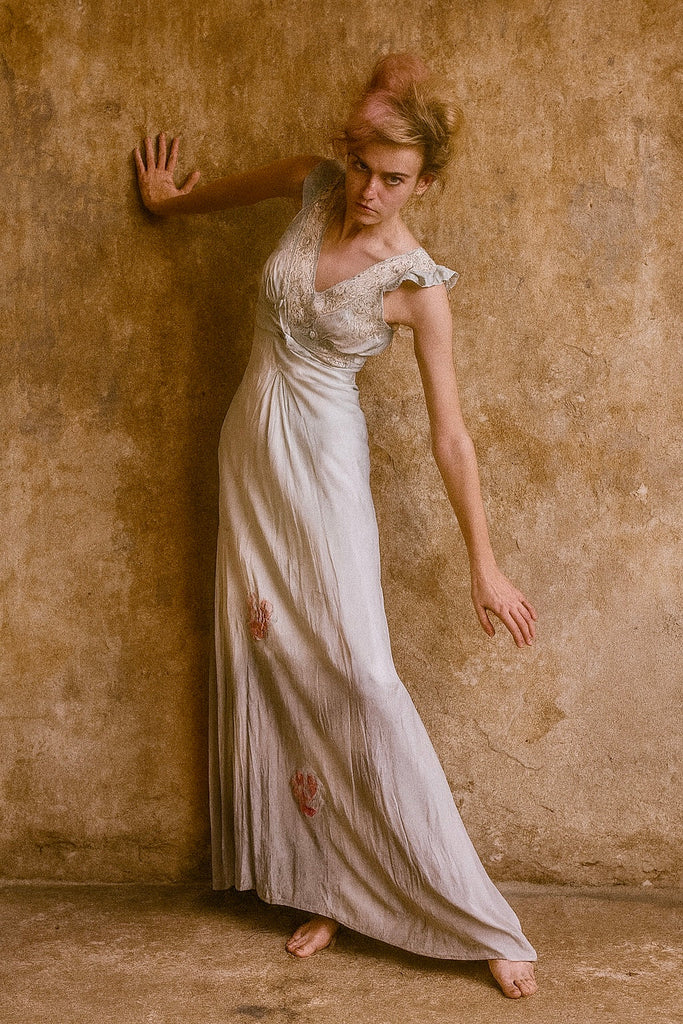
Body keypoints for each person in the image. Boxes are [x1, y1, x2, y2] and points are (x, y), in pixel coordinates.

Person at [134, 54, 538, 999]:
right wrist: (169, 204)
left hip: (323, 469)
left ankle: (476, 919)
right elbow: (219, 196)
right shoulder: (312, 186)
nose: (367, 190)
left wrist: (483, 564)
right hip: (250, 454)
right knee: (280, 662)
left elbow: (450, 435)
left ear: (424, 182)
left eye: (392, 177)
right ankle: (328, 885)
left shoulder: (417, 283)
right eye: (360, 164)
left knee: (361, 675)